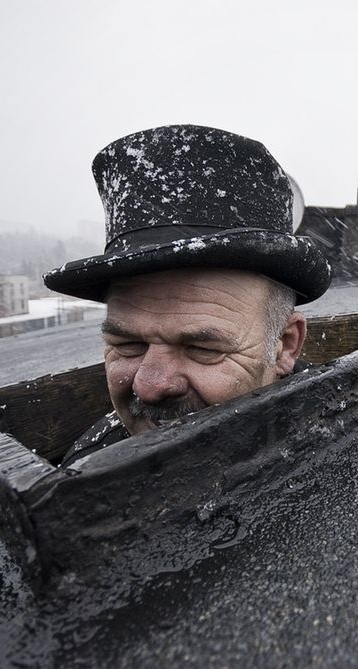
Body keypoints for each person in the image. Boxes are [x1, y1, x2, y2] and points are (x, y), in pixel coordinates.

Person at [43, 125, 332, 465]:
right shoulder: (82, 482)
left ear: (284, 345)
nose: (149, 387)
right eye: (127, 345)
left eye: (202, 349)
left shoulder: (350, 433)